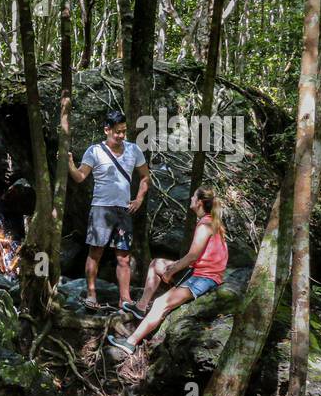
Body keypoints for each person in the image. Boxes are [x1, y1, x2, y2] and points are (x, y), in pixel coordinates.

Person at [107, 186, 228, 356]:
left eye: (193, 196)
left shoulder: (205, 225)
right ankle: (141, 307)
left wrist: (171, 271)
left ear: (199, 202)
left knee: (160, 304)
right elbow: (200, 256)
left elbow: (193, 256)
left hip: (204, 277)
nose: (191, 199)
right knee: (157, 263)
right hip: (200, 272)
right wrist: (173, 266)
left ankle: (130, 343)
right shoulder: (209, 221)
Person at [67, 110, 150, 310]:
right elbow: (79, 177)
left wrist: (138, 199)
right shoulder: (94, 151)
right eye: (117, 132)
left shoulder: (133, 150)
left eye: (124, 131)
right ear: (107, 130)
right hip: (100, 209)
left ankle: (125, 298)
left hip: (123, 210)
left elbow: (145, 177)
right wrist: (69, 163)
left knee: (123, 257)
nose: (121, 136)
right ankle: (91, 294)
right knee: (95, 252)